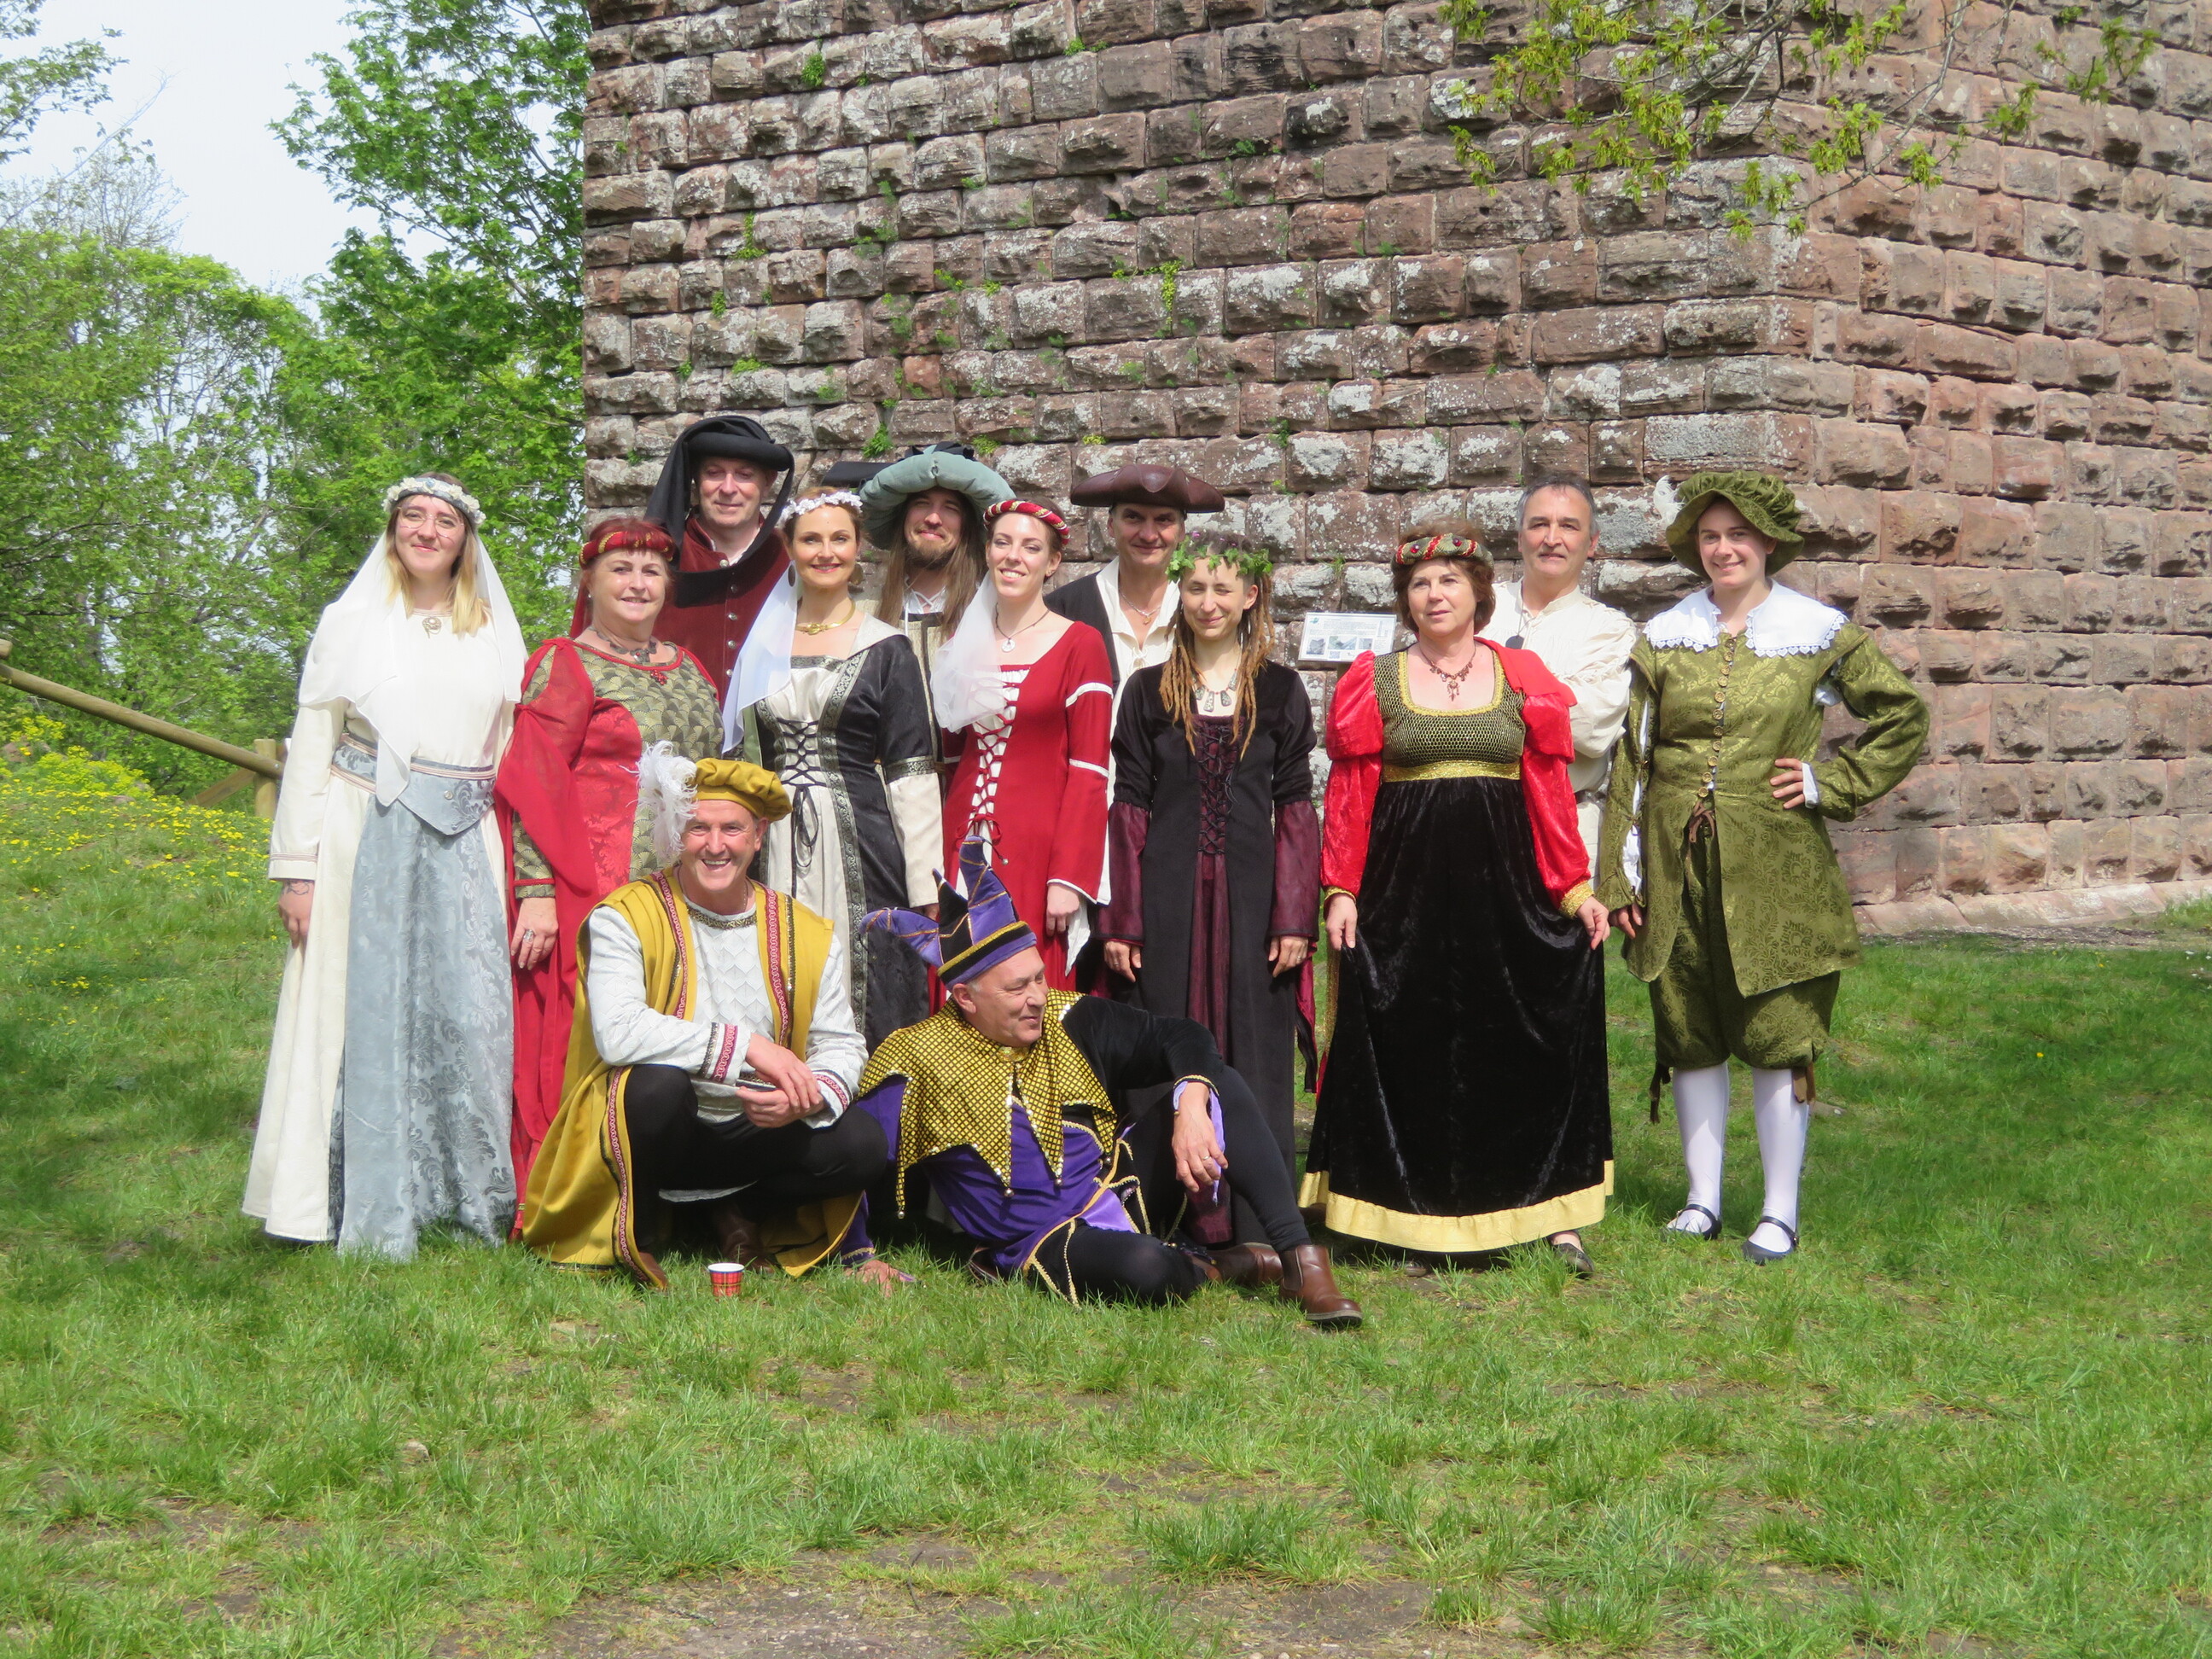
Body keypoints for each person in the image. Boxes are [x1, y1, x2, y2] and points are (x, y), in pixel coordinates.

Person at [1598, 471, 1929, 1265]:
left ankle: (1779, 1211)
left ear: (1769, 542)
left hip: (1776, 864)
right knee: (1689, 1025)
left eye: (1738, 535)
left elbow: (1902, 715)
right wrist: (1620, 876)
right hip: (1676, 861)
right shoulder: (1667, 634)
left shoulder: (1815, 632)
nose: (1723, 550)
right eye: (1710, 537)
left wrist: (1827, 782)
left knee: (1778, 1028)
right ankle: (1702, 1200)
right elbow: (1633, 760)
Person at [854, 842, 1360, 1324]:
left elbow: (1182, 1035)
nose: (1036, 997)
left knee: (1215, 1080)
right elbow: (859, 1153)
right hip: (1043, 1239)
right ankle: (1214, 1265)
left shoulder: (1069, 1016)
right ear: (966, 997)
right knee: (1147, 1269)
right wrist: (859, 1253)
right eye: (1017, 988)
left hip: (1118, 1187)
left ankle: (1300, 1261)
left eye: (1038, 977)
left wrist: (1190, 1105)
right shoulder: (915, 1056)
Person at [1305, 528, 1614, 1275]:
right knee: (1406, 1045)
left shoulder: (1521, 675)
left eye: (1449, 580)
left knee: (1515, 1044)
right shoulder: (1375, 679)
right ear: (1405, 601)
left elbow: (1547, 793)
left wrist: (1573, 888)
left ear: (1479, 591)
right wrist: (1341, 889)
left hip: (1504, 895)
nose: (1434, 595)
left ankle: (1549, 1211)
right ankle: (1394, 1209)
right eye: (1419, 584)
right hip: (1403, 897)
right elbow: (1350, 796)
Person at [247, 474, 527, 1257]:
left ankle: (461, 1196)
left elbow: (511, 751)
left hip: (466, 841)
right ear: (394, 529)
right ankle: (336, 1199)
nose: (427, 531)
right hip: (361, 829)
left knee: (465, 1012)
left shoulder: (494, 633)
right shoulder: (352, 621)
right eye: (413, 517)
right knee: (354, 1005)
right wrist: (297, 870)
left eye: (444, 521)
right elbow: (312, 744)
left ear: (465, 539)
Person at [519, 755, 895, 1289]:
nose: (715, 845)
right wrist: (749, 1047)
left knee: (862, 1144)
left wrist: (805, 1097)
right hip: (665, 1127)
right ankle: (641, 1226)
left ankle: (738, 1209)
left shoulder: (807, 932)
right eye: (698, 828)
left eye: (732, 829)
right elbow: (619, 1031)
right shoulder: (624, 916)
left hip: (756, 1128)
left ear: (758, 837)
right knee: (655, 1087)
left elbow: (840, 1042)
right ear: (678, 834)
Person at [1102, 534, 1319, 1246]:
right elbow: (1130, 806)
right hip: (1167, 893)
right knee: (1166, 1032)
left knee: (1253, 1040)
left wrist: (1295, 915)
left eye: (1223, 589)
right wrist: (1124, 920)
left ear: (1250, 596)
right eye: (1195, 588)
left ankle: (1255, 1220)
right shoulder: (1148, 691)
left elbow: (1295, 805)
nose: (1208, 602)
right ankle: (1164, 1212)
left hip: (1254, 896)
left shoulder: (1280, 691)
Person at [496, 516, 723, 1198]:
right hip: (589, 884)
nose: (637, 583)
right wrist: (536, 890)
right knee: (591, 1028)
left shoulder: (689, 668)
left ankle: (667, 1188)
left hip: (680, 885)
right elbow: (533, 780)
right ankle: (575, 1191)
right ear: (589, 582)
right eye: (621, 569)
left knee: (674, 1022)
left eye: (652, 571)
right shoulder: (566, 662)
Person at [725, 492, 940, 1047]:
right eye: (811, 539)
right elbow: (739, 753)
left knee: (865, 970)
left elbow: (911, 769)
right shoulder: (758, 649)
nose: (827, 552)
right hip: (770, 840)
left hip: (862, 839)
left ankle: (871, 1095)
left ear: (858, 546)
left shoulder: (887, 648)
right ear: (789, 547)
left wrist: (926, 881)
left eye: (840, 538)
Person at [934, 499, 1111, 989]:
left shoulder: (1080, 644)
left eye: (1031, 547)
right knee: (959, 981)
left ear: (1052, 562)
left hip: (1038, 848)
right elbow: (950, 757)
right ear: (987, 552)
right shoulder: (963, 638)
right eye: (1003, 543)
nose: (1013, 556)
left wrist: (1069, 876)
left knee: (1028, 983)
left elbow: (1091, 771)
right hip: (960, 841)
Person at [1478, 476, 1639, 867]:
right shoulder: (1476, 608)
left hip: (1566, 829)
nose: (1552, 539)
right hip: (1473, 819)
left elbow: (1592, 728)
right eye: (1539, 524)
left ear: (1592, 543)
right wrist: (1548, 693)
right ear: (1520, 538)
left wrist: (1489, 687)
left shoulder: (1609, 629)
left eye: (1568, 526)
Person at [857, 443, 1010, 748]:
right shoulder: (863, 618)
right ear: (902, 518)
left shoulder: (999, 618)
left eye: (951, 508)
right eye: (922, 504)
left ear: (967, 527)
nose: (933, 519)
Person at [637, 414, 797, 696]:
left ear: (768, 482)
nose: (728, 488)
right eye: (714, 473)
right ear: (696, 480)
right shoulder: (650, 559)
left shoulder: (792, 559)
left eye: (745, 475)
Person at [1046, 463, 1226, 693]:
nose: (1149, 535)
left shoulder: (1207, 610)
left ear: (1181, 531)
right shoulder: (1062, 610)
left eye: (1164, 520)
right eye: (1134, 517)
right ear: (1111, 525)